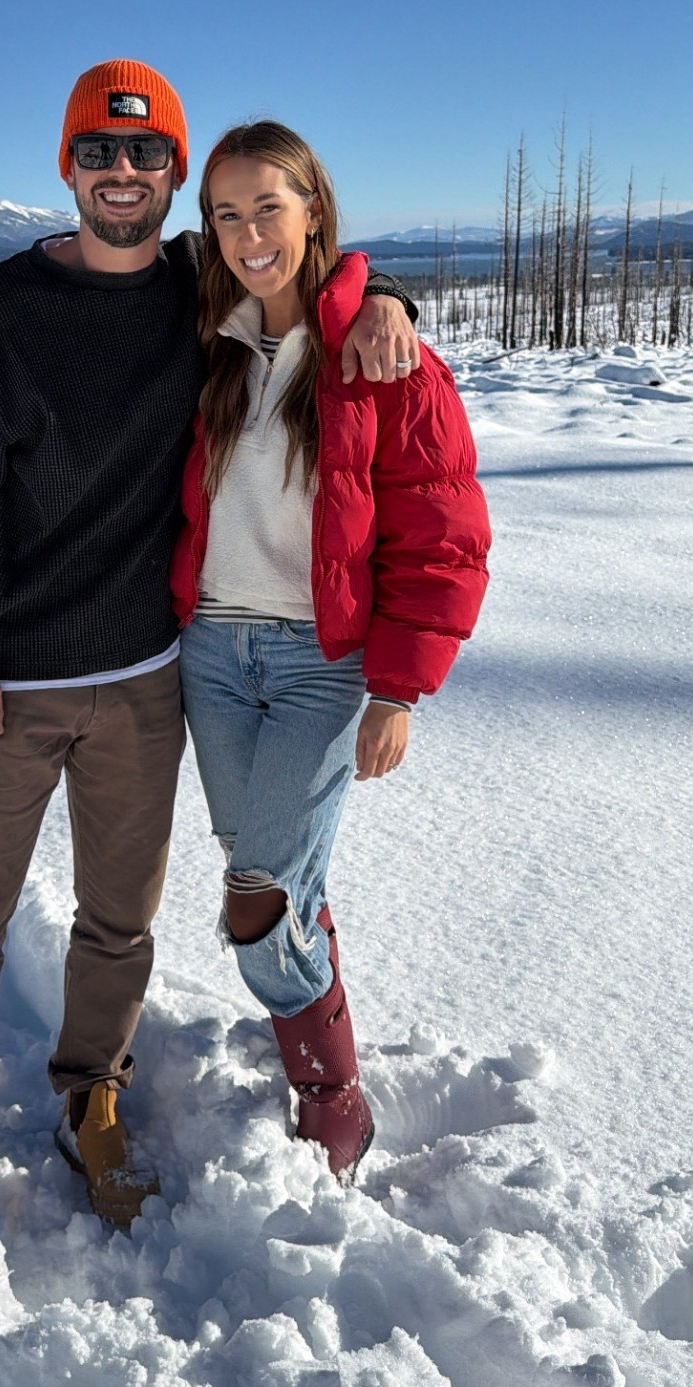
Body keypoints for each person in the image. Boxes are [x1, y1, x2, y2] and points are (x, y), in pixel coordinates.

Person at [0, 63, 422, 1233]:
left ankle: (94, 1097)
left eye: (146, 157)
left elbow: (314, 270)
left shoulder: (195, 283)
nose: (122, 174)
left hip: (144, 677)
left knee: (118, 916)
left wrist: (393, 305)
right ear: (66, 164)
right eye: (99, 152)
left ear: (173, 173)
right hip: (10, 681)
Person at [170, 121, 490, 1180]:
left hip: (322, 662)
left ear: (314, 210)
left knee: (256, 893)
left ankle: (328, 1087)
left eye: (270, 206)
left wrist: (397, 690)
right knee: (274, 874)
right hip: (211, 652)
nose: (250, 232)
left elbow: (444, 535)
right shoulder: (205, 334)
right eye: (226, 212)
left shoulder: (382, 356)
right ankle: (316, 1035)